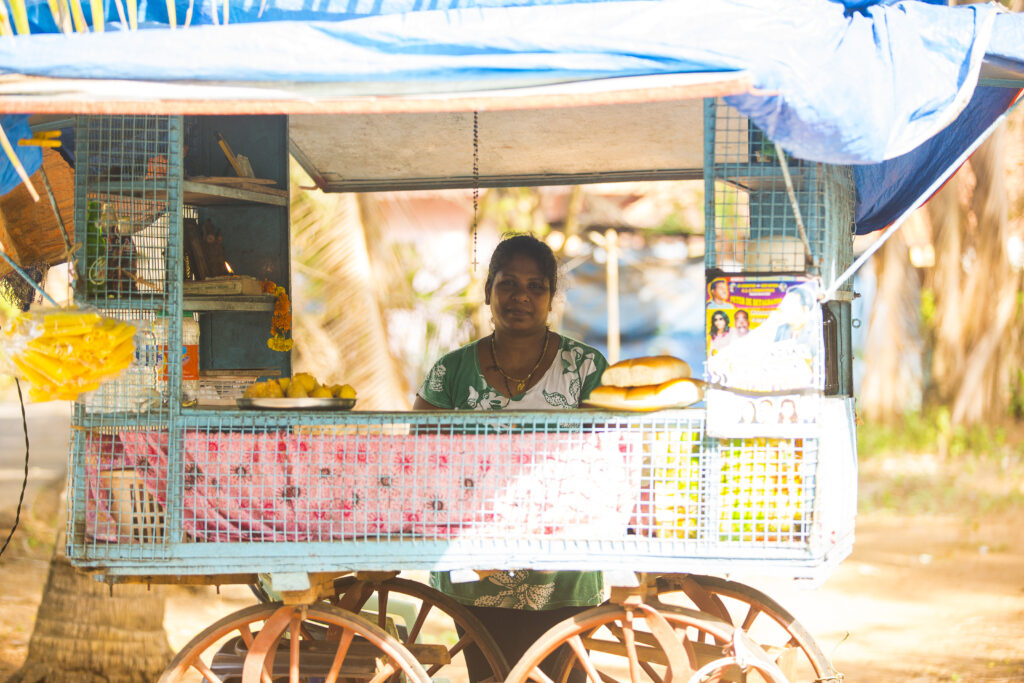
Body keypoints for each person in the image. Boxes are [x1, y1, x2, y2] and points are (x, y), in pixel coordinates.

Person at [414, 233, 609, 682]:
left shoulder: (586, 369)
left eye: (536, 286)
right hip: (476, 572)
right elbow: (418, 460)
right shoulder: (451, 372)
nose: (520, 296)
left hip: (563, 573)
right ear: (488, 292)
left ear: (550, 297)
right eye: (507, 283)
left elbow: (608, 459)